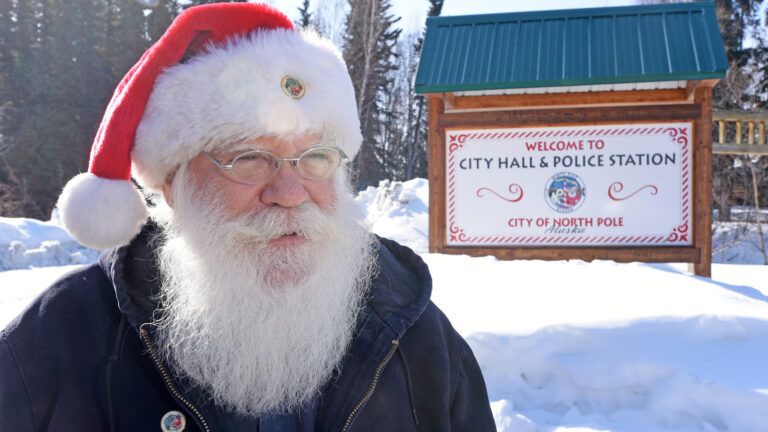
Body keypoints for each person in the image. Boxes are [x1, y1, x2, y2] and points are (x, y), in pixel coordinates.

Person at [0, 3, 495, 431]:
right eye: (248, 158)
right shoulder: (56, 345)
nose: (289, 192)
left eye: (317, 157)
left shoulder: (417, 337)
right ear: (173, 186)